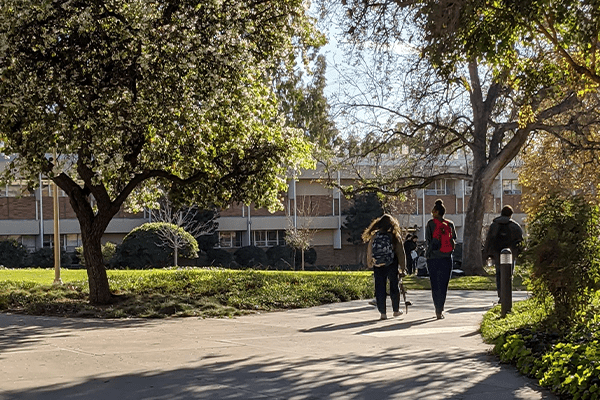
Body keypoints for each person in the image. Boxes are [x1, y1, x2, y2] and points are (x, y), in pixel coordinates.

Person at [363, 214, 406, 320]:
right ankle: (396, 310)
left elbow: (370, 250)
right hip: (391, 263)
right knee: (394, 286)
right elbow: (401, 253)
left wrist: (370, 262)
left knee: (380, 288)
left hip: (378, 264)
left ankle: (383, 313)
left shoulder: (375, 235)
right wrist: (403, 267)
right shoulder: (395, 236)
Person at [483, 205, 524, 302]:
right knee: (509, 274)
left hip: (497, 253)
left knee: (499, 274)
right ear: (511, 215)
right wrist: (520, 254)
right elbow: (520, 242)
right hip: (510, 254)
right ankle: (507, 295)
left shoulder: (494, 225)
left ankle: (501, 295)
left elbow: (489, 240)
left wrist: (487, 253)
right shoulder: (515, 226)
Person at [425, 199, 457, 319]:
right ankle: (440, 308)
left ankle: (436, 308)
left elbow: (428, 240)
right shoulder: (450, 224)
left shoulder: (430, 224)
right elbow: (454, 238)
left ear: (436, 212)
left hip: (433, 258)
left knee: (435, 284)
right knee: (443, 284)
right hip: (446, 257)